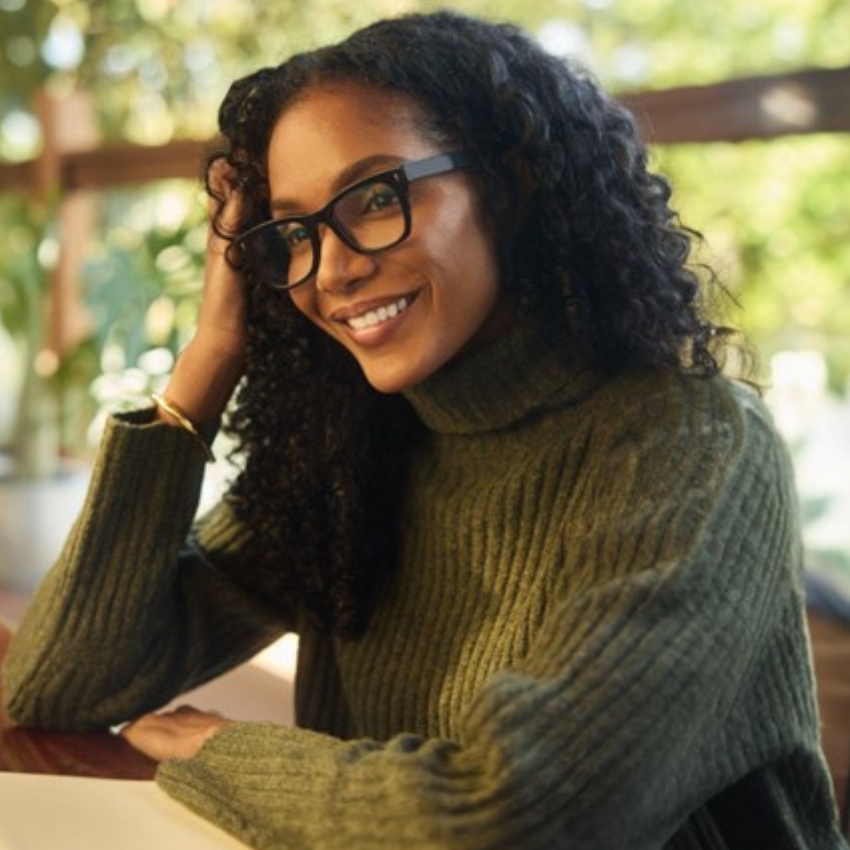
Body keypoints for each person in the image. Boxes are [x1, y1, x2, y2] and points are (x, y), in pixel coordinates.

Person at [2, 10, 845, 849]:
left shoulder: (689, 445)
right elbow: (56, 684)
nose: (331, 269)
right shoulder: (353, 447)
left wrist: (226, 750)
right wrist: (213, 356)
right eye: (293, 233)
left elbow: (512, 818)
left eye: (375, 195)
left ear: (509, 184)